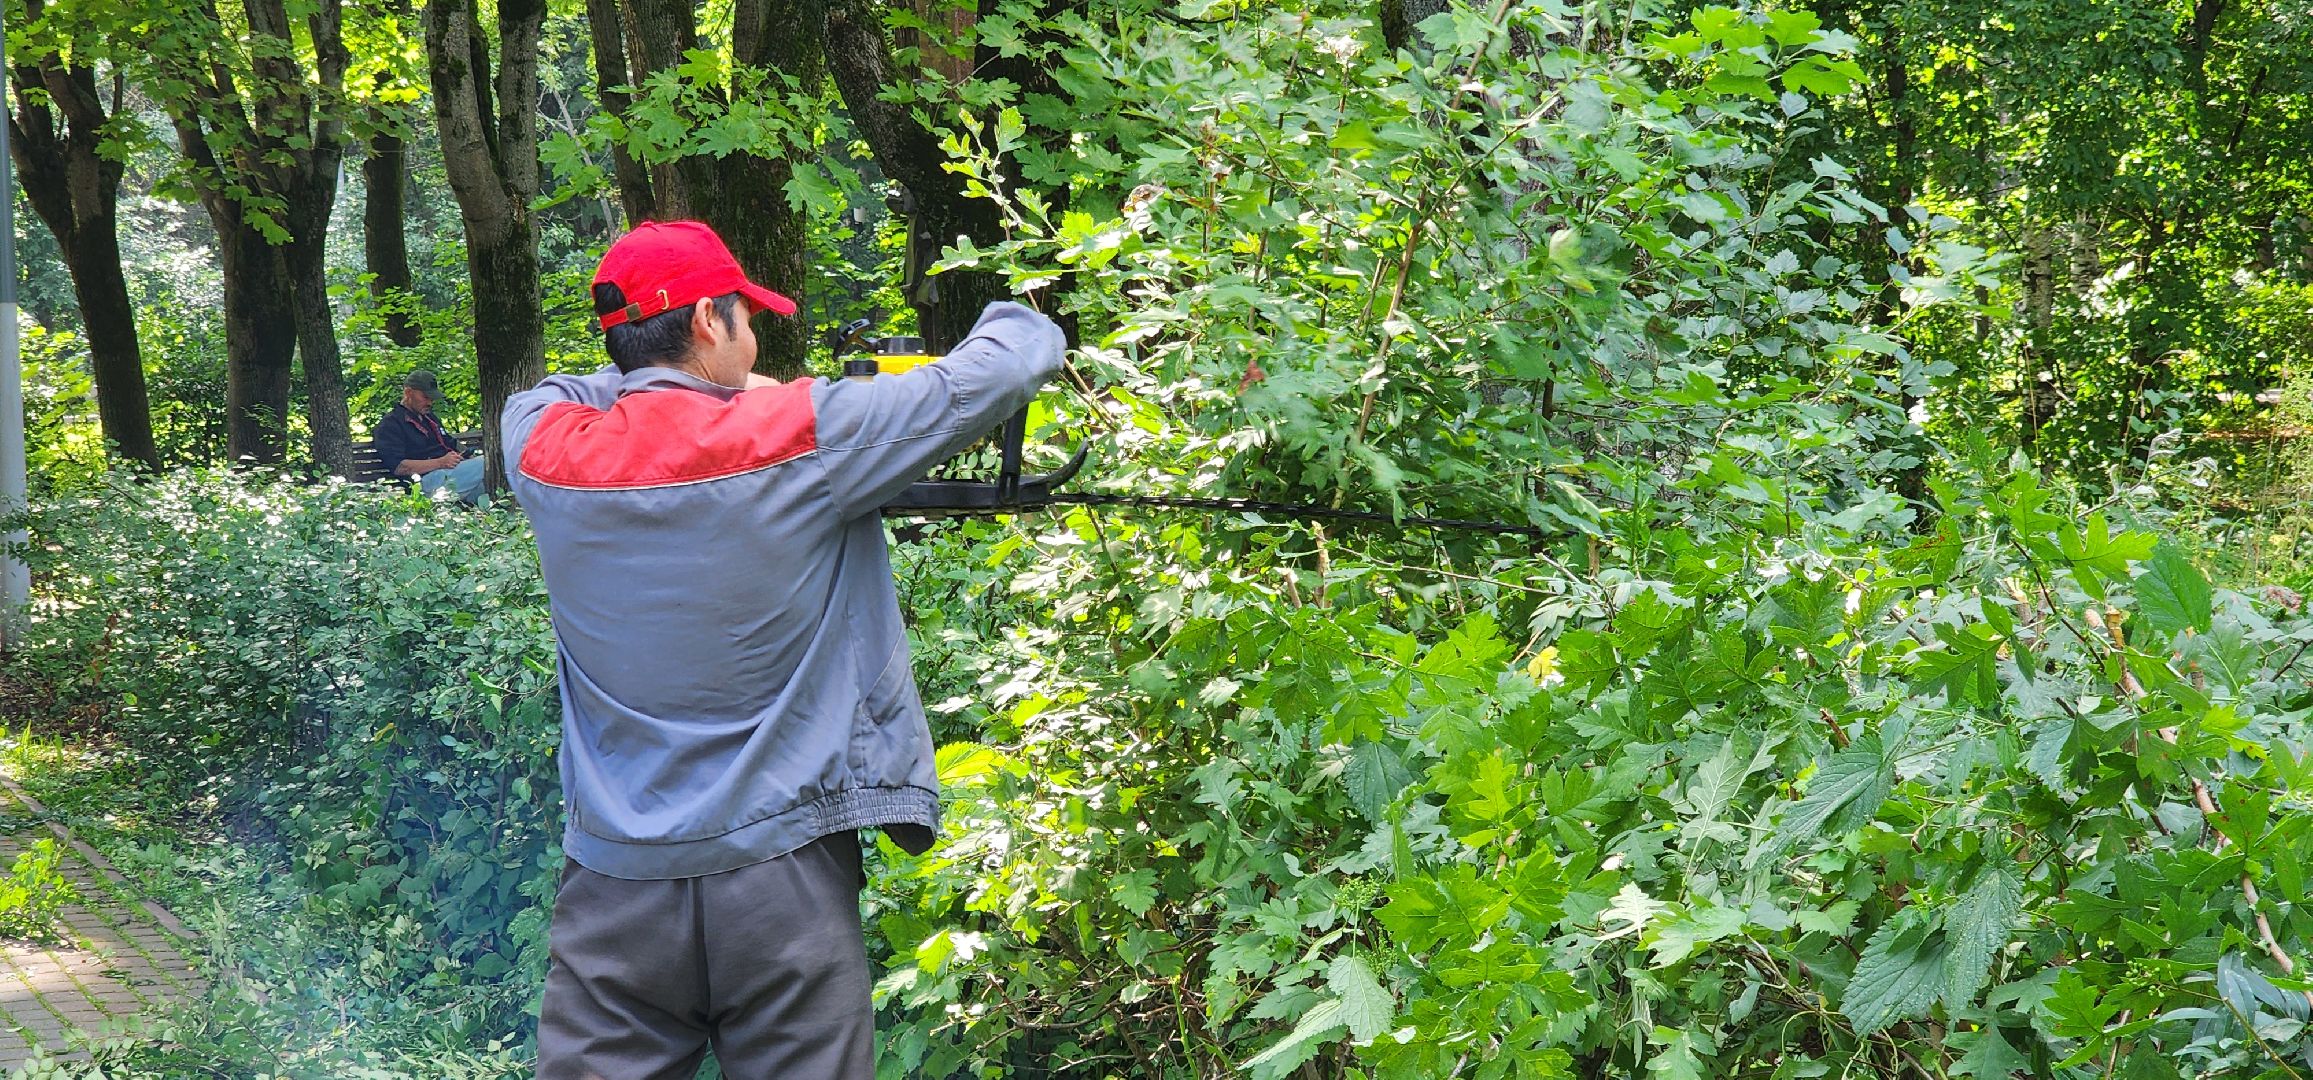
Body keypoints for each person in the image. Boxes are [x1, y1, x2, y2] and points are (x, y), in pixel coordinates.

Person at [499, 220, 1064, 1078]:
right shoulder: (797, 432)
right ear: (706, 323)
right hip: (782, 883)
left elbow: (556, 387)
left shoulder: (543, 448)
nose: (754, 336)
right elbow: (1009, 360)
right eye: (744, 318)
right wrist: (1015, 311)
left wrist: (670, 381)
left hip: (613, 891)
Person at [375, 370, 483, 501]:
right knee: (491, 462)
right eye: (425, 397)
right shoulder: (390, 424)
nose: (430, 403)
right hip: (423, 484)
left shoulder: (429, 418)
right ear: (408, 392)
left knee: (488, 485)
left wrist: (468, 455)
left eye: (431, 398)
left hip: (449, 476)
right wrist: (440, 462)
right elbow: (399, 467)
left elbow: (450, 442)